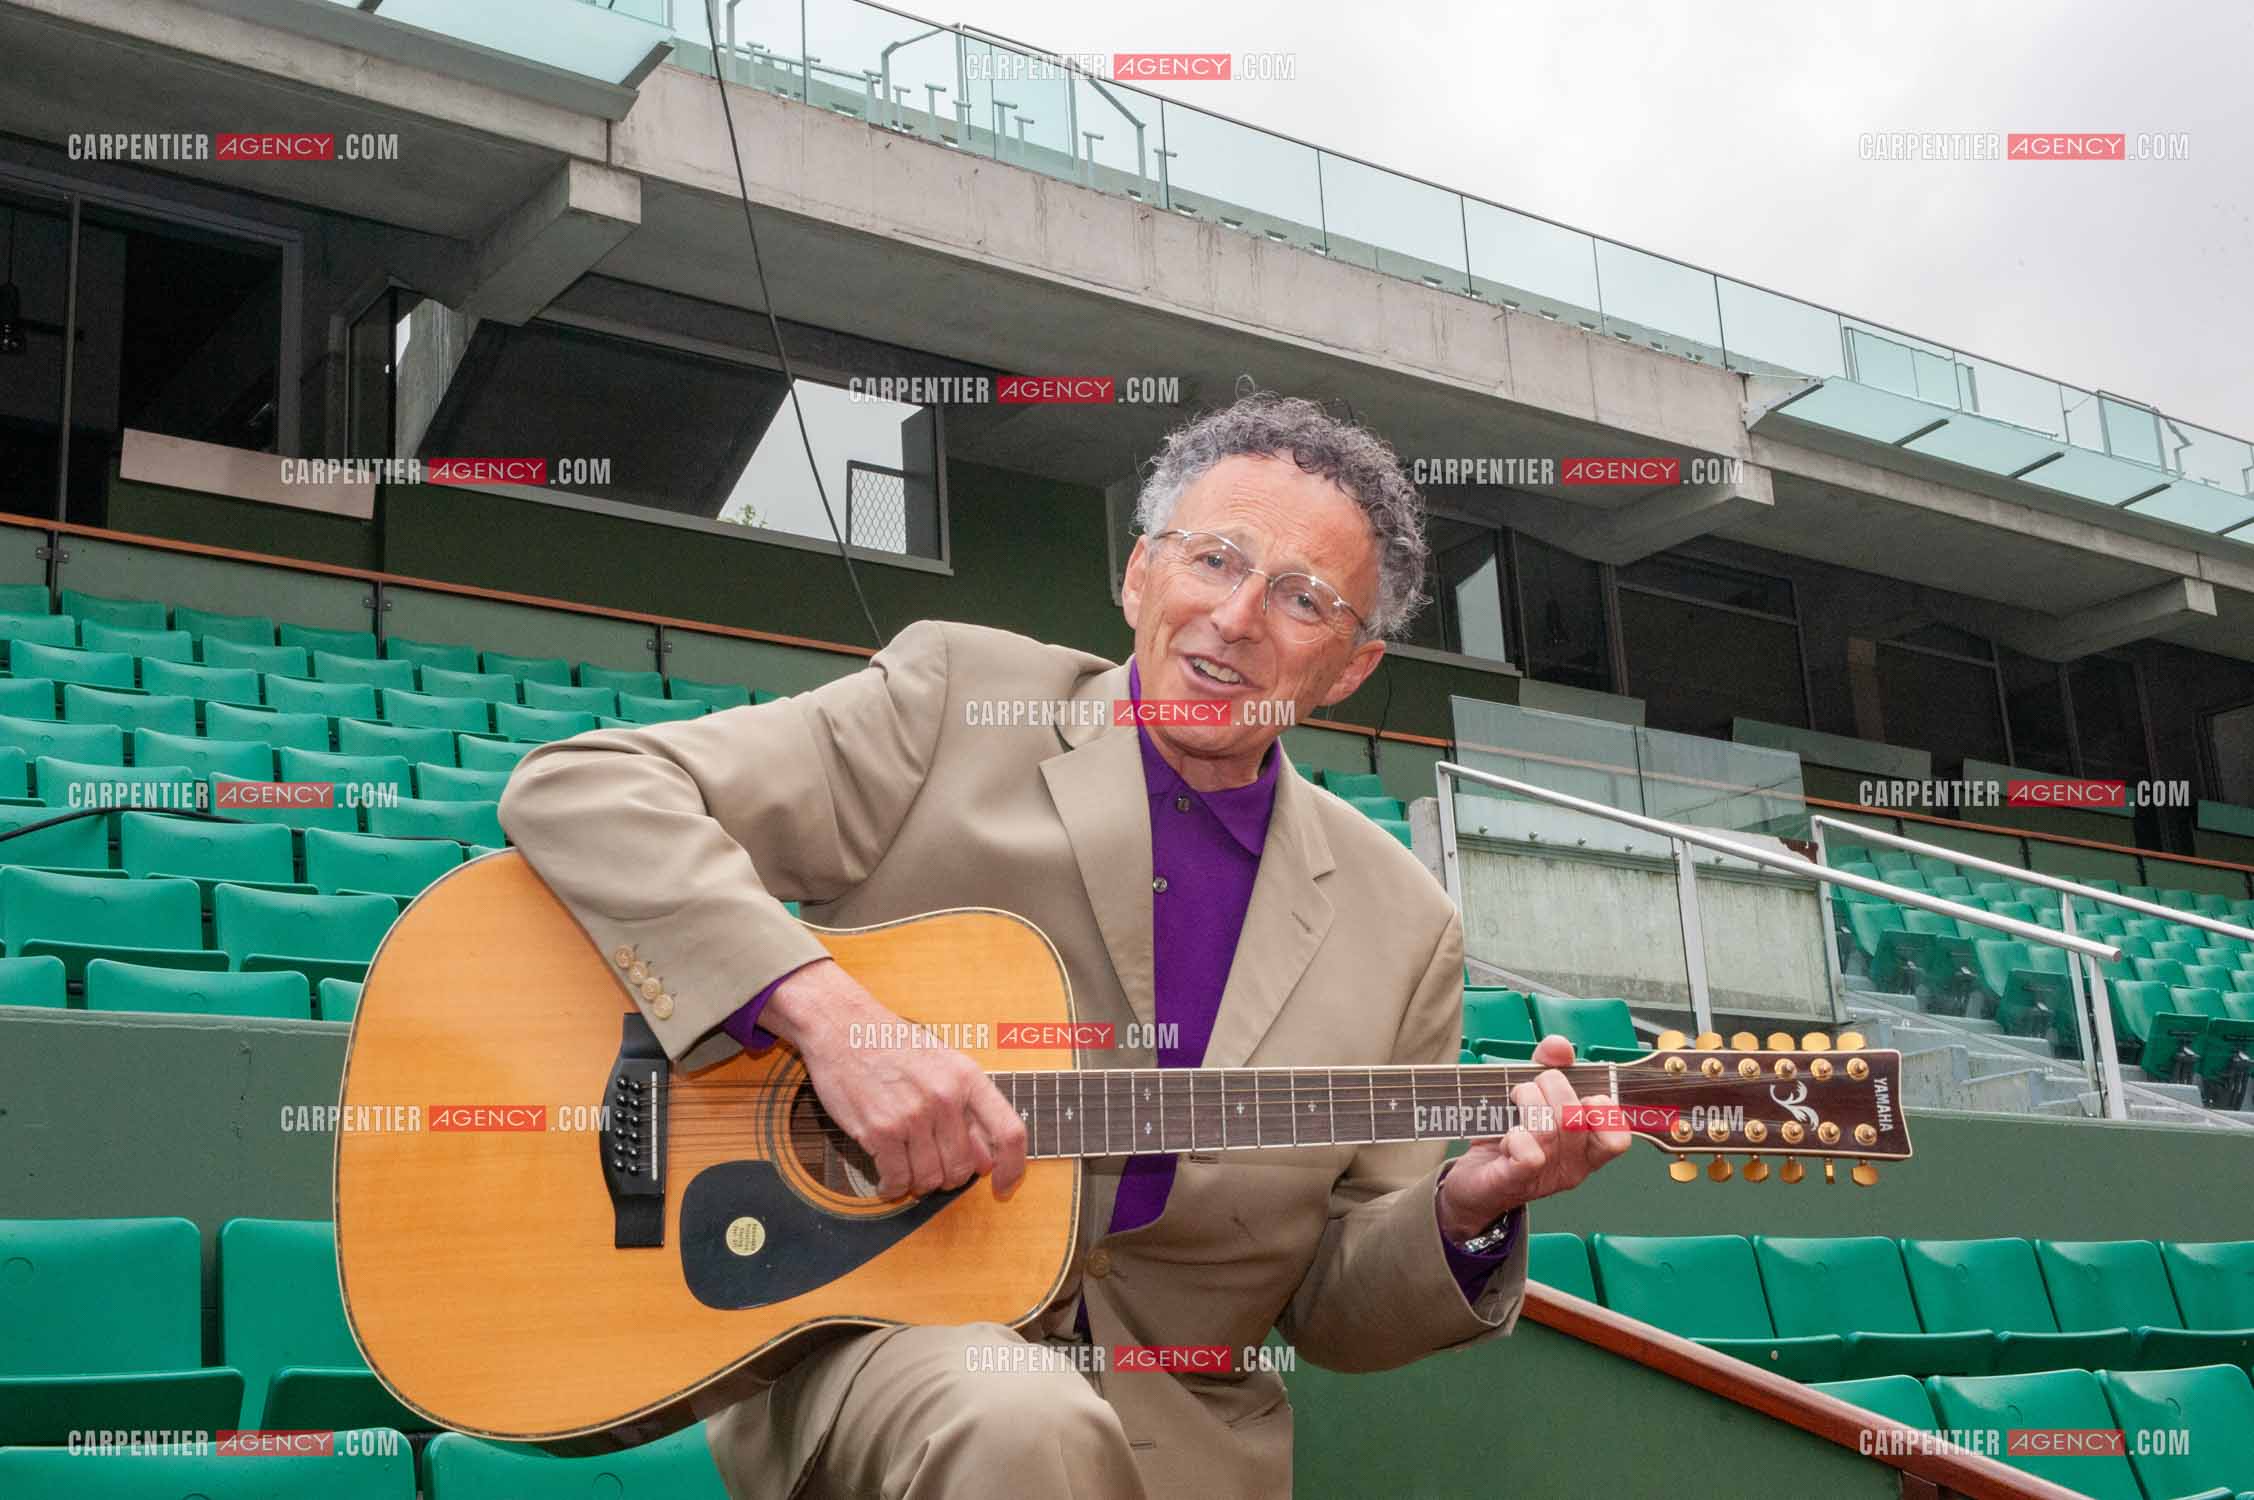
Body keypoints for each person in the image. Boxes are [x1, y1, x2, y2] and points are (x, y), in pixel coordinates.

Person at [498, 389, 1629, 1499]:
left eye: (1300, 598)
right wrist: (832, 1021)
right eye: (1213, 559)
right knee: (1017, 1421)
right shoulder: (955, 702)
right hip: (873, 1348)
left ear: (1350, 667)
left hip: (1178, 1443)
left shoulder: (1403, 922)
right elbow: (590, 788)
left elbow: (1332, 1306)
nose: (1235, 618)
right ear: (1139, 572)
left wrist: (1464, 1211)